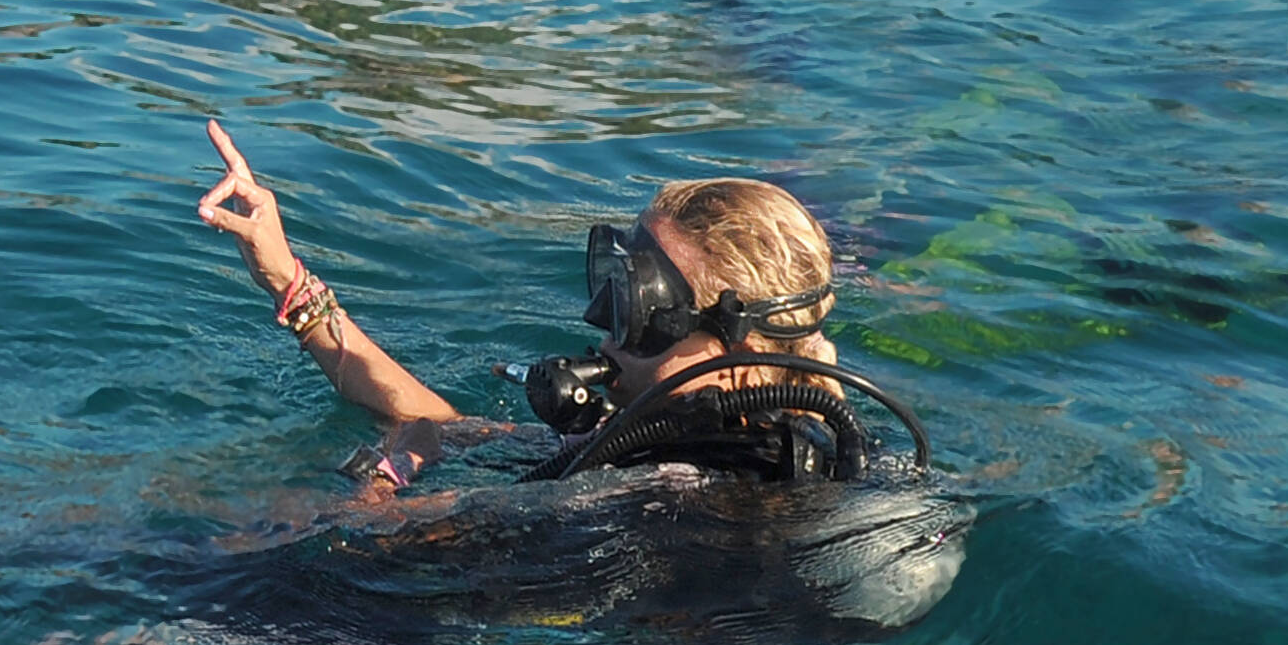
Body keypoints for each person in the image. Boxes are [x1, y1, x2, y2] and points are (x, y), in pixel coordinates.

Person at [192, 119, 845, 493]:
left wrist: (379, 481)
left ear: (736, 351)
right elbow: (437, 423)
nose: (606, 330)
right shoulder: (728, 435)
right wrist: (287, 278)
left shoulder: (670, 493)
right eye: (615, 285)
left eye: (642, 307)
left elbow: (390, 562)